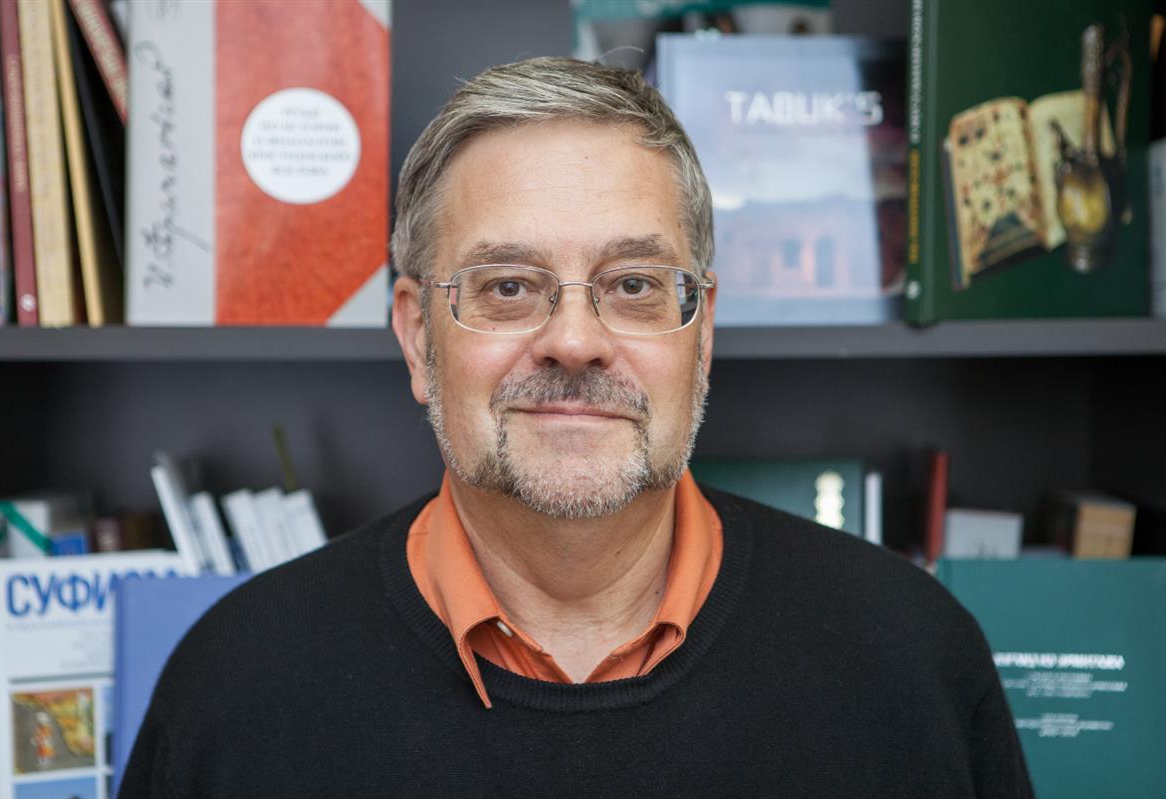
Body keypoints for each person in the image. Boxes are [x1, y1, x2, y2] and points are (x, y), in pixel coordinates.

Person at [118, 58, 1033, 798]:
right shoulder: (234, 688)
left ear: (703, 332)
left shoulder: (913, 659)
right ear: (416, 335)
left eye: (634, 284)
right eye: (508, 285)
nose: (574, 340)